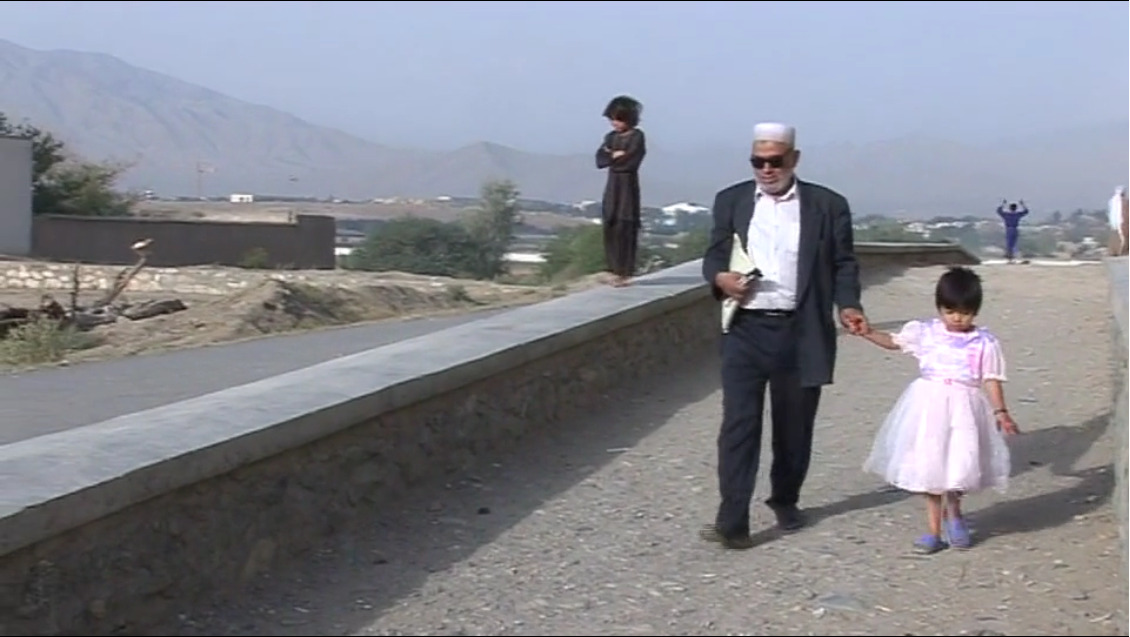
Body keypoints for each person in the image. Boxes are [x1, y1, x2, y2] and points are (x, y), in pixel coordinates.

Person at [699, 122, 869, 550]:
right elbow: (715, 255)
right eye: (758, 162)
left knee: (794, 427)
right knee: (738, 425)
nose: (766, 170)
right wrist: (720, 278)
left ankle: (786, 499)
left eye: (775, 161)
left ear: (794, 159)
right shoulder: (731, 201)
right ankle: (732, 520)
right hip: (745, 330)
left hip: (801, 330)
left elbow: (844, 263)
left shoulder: (828, 206)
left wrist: (849, 305)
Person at [859, 266, 1019, 554]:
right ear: (939, 308)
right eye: (950, 311)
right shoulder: (926, 333)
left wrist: (1001, 411)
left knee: (958, 464)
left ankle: (954, 513)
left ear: (976, 311)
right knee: (929, 467)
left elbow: (991, 378)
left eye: (965, 313)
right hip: (928, 406)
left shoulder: (984, 342)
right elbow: (894, 342)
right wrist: (868, 332)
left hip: (964, 407)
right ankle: (933, 531)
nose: (957, 318)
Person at [595, 95, 647, 287]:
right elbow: (600, 160)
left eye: (618, 119)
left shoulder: (637, 137)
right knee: (611, 223)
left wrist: (615, 157)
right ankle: (612, 268)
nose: (614, 124)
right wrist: (613, 157)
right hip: (612, 187)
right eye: (612, 120)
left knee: (625, 225)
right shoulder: (611, 137)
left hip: (627, 188)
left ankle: (624, 271)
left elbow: (629, 162)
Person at [1107, 186, 1128, 257]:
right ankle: (1120, 251)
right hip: (1120, 223)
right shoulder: (1120, 201)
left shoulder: (1112, 201)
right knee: (1122, 238)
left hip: (1115, 224)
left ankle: (1117, 251)